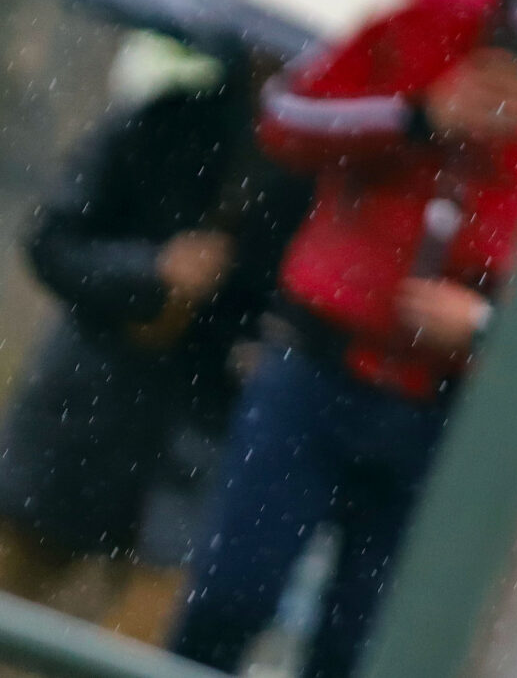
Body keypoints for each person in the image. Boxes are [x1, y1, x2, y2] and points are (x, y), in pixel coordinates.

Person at [169, 0, 517, 678]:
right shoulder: (424, 21)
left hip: (456, 418)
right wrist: (419, 115)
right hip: (315, 371)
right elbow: (288, 116)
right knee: (228, 600)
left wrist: (495, 328)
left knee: (366, 651)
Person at [0, 33, 310, 640]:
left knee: (146, 635)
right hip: (82, 417)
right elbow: (53, 241)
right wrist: (151, 270)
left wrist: (271, 346)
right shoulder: (163, 122)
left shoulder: (328, 179)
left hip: (197, 452)